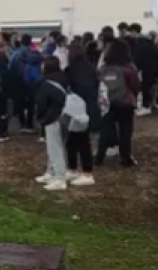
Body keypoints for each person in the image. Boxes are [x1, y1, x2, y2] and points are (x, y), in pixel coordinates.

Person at [96, 39, 140, 168]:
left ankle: (99, 157)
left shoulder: (103, 68)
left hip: (107, 102)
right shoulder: (129, 68)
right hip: (125, 103)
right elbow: (136, 85)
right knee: (125, 132)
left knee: (105, 130)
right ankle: (125, 158)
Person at [64, 44, 100, 186]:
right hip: (90, 107)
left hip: (77, 109)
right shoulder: (91, 68)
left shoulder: (71, 70)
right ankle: (74, 169)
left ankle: (87, 172)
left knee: (80, 141)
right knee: (75, 140)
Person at [35, 56, 69, 191]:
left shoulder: (46, 82)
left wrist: (41, 117)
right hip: (64, 116)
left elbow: (42, 102)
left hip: (52, 117)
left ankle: (60, 177)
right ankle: (51, 172)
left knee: (54, 148)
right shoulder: (64, 78)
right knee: (57, 146)